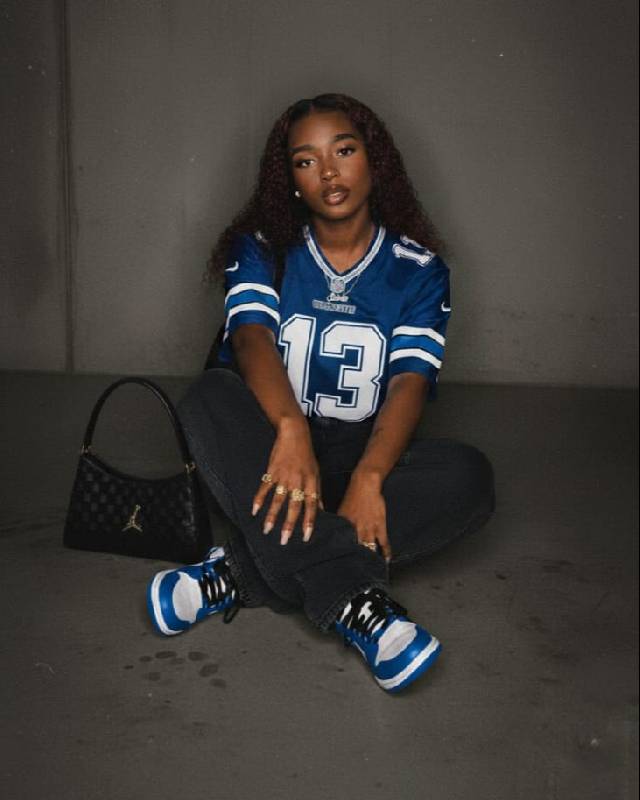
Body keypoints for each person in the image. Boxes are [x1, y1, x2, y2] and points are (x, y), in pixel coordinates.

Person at [145, 93, 495, 693]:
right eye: (306, 161)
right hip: (268, 461)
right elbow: (250, 337)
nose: (329, 172)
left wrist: (369, 478)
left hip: (357, 458)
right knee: (209, 396)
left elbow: (410, 381)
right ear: (290, 180)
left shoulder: (418, 269)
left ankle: (236, 573)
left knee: (469, 477)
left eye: (344, 151)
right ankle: (357, 603)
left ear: (375, 161)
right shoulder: (261, 247)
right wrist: (290, 430)